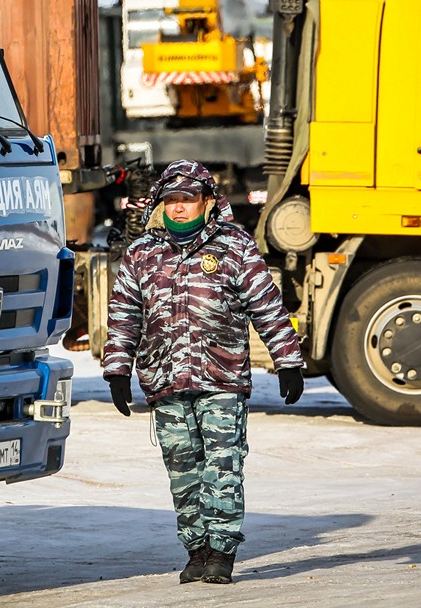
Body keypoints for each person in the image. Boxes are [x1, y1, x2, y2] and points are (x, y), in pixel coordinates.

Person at [102, 159, 305, 585]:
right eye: (171, 200)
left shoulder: (234, 246)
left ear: (208, 201)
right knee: (183, 470)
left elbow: (266, 306)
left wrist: (287, 361)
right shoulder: (141, 253)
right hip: (165, 381)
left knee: (223, 466)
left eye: (188, 199)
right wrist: (117, 368)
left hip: (222, 378)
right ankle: (195, 550)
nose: (178, 208)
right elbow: (124, 315)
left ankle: (221, 552)